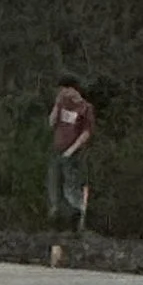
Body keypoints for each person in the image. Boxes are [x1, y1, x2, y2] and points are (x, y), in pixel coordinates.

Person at [46, 75, 95, 224]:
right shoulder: (62, 104)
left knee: (71, 186)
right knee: (53, 183)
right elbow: (51, 122)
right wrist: (56, 104)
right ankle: (56, 213)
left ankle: (78, 214)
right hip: (57, 149)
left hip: (73, 153)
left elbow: (86, 132)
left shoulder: (85, 108)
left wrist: (72, 150)